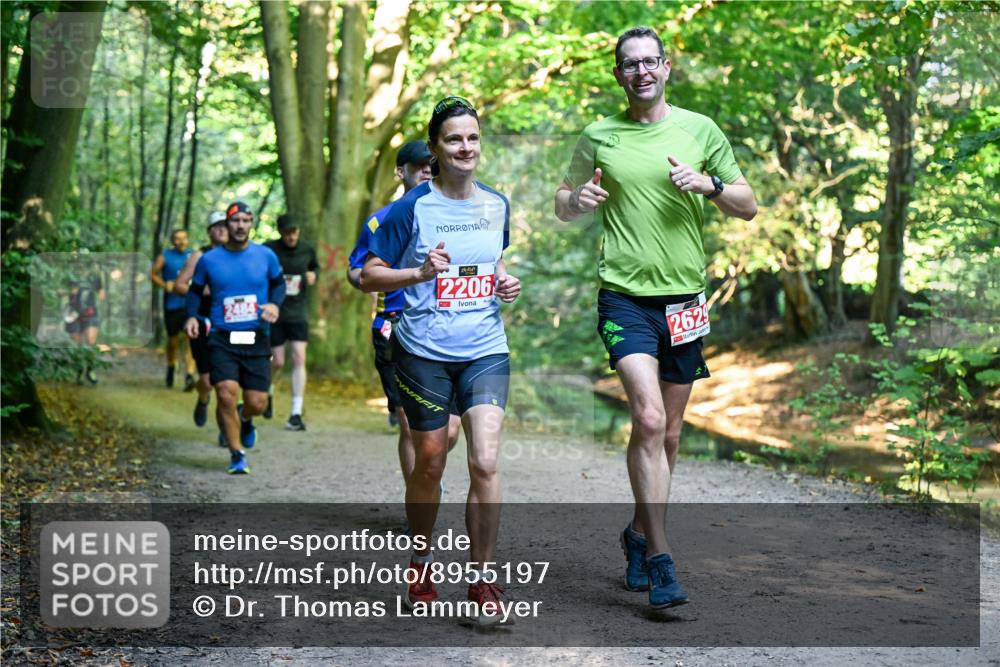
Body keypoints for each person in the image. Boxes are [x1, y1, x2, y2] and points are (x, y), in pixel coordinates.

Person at [554, 26, 758, 609]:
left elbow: (747, 207)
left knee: (667, 433)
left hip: (685, 301)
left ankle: (638, 533)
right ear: (618, 74)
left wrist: (709, 184)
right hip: (624, 296)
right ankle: (662, 555)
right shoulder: (599, 135)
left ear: (666, 68)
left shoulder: (700, 130)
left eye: (650, 62)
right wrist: (578, 202)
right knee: (646, 417)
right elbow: (563, 202)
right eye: (629, 64)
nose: (641, 71)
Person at [361, 96, 521, 625]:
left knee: (486, 461)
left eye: (472, 137)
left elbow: (491, 261)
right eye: (454, 139)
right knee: (430, 461)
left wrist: (503, 280)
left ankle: (482, 577)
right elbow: (368, 275)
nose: (465, 147)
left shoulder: (496, 204)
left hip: (484, 348)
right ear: (435, 149)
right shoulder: (410, 209)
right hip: (423, 351)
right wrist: (418, 275)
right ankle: (421, 560)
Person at [348, 140, 463, 493]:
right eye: (419, 166)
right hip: (394, 324)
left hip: (447, 325)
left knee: (452, 429)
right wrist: (377, 278)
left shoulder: (454, 216)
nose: (428, 170)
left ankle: (426, 477)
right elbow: (356, 272)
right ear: (401, 171)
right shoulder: (380, 220)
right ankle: (422, 498)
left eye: (432, 165)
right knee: (408, 421)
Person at [184, 201, 285, 474]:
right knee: (226, 394)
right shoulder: (209, 259)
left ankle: (246, 418)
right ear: (226, 225)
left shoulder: (265, 256)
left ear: (251, 223)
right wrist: (192, 316)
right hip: (222, 337)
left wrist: (275, 304)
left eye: (245, 220)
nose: (240, 225)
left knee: (257, 403)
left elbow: (279, 284)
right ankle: (236, 453)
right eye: (235, 220)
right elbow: (194, 291)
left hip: (255, 336)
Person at [264, 214, 319, 431]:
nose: (291, 236)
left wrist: (313, 275)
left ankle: (296, 412)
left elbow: (315, 267)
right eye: (287, 232)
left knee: (298, 357)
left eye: (294, 232)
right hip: (275, 312)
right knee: (277, 361)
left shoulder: (307, 249)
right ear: (280, 232)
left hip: (298, 312)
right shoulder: (269, 249)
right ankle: (267, 390)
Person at [174, 211, 228, 430]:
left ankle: (226, 429)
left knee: (227, 383)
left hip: (231, 325)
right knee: (207, 381)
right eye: (216, 226)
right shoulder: (199, 256)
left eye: (225, 225)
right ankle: (203, 398)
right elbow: (179, 285)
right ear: (209, 231)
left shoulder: (240, 255)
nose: (222, 229)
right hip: (203, 322)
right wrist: (201, 290)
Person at [151, 229, 196, 390]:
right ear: (172, 241)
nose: (181, 242)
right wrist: (165, 285)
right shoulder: (165, 256)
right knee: (173, 341)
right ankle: (171, 365)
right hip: (172, 305)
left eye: (184, 238)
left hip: (190, 304)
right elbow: (153, 274)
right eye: (177, 239)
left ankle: (190, 375)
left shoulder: (194, 256)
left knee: (192, 337)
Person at [63, 270, 104, 384]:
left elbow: (101, 293)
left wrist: (99, 294)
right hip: (73, 313)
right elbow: (59, 291)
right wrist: (69, 292)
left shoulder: (94, 275)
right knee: (78, 345)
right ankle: (79, 371)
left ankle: (90, 370)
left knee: (91, 342)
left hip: (90, 313)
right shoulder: (69, 274)